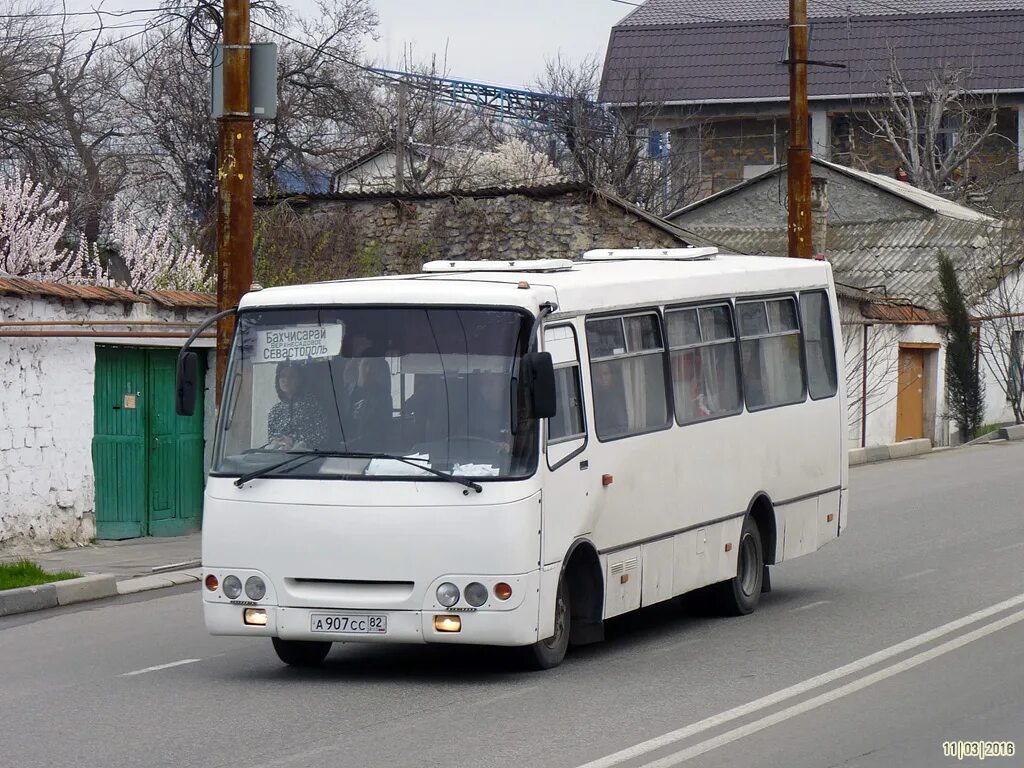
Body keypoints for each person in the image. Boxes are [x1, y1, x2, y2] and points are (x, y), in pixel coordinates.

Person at [267, 361, 327, 450]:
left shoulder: (313, 406)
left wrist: (295, 440)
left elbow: (322, 436)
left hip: (306, 459)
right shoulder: (275, 411)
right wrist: (277, 441)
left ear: (300, 380)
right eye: (282, 376)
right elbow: (271, 437)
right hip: (278, 458)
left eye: (292, 376)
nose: (286, 380)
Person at [592, 363, 628, 437]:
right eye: (598, 375)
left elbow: (622, 428)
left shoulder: (616, 400)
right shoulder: (591, 398)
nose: (602, 378)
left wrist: (602, 434)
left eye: (606, 373)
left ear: (612, 376)